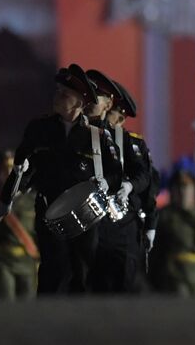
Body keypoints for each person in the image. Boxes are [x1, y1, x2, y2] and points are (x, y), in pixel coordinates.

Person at [13, 64, 122, 295]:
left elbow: (116, 174)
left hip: (86, 215)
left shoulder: (97, 135)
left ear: (80, 103)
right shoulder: (39, 128)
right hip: (48, 210)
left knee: (83, 273)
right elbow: (22, 163)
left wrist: (105, 183)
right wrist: (14, 187)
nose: (57, 97)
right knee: (52, 272)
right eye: (57, 91)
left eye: (65, 95)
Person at [87, 70, 152, 293]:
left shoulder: (128, 142)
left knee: (122, 286)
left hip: (121, 226)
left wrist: (128, 186)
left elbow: (146, 179)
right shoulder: (84, 134)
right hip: (90, 223)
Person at [0, 150, 39, 300]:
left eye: (12, 168)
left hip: (28, 260)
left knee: (28, 308)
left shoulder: (33, 200)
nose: (9, 173)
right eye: (4, 169)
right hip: (4, 261)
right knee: (5, 307)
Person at [152, 168, 195, 296]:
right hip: (174, 279)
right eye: (178, 188)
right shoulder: (164, 216)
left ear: (194, 190)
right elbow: (156, 253)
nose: (182, 192)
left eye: (186, 187)